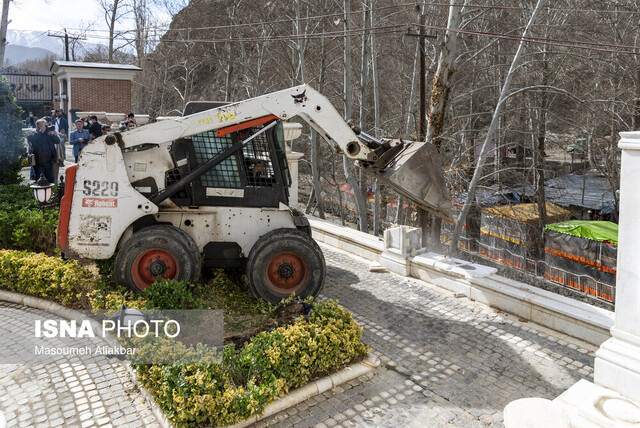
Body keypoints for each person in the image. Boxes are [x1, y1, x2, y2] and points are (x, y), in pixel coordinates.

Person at [28, 119, 59, 184]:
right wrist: (40, 132)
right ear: (38, 126)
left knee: (51, 179)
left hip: (49, 161)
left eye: (46, 125)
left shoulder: (48, 133)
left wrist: (53, 134)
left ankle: (50, 193)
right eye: (43, 125)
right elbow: (30, 138)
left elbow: (57, 141)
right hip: (39, 161)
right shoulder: (34, 132)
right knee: (40, 181)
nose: (45, 126)